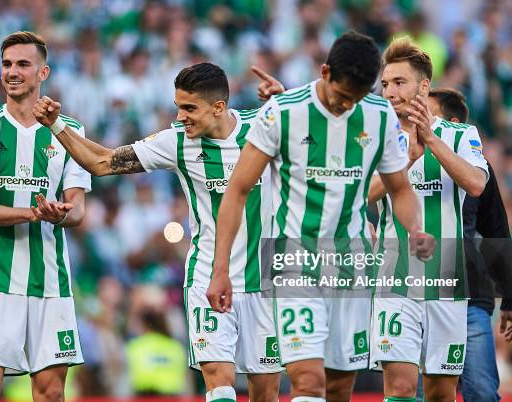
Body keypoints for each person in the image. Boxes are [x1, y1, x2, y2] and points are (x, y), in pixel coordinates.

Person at [33, 62, 282, 402]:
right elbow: (102, 162)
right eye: (178, 107)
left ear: (219, 107)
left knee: (265, 392)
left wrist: (285, 101)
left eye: (189, 108)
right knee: (219, 382)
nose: (180, 117)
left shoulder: (264, 128)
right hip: (207, 278)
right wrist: (56, 125)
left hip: (264, 279)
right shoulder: (176, 142)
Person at [210, 31, 434, 402]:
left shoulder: (378, 117)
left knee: (338, 387)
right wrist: (220, 269)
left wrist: (417, 228)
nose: (348, 106)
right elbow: (237, 190)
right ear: (325, 72)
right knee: (308, 382)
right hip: (295, 259)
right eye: (342, 96)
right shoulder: (282, 112)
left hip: (352, 262)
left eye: (358, 98)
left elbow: (399, 189)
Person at [0, 31, 91, 402]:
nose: (12, 72)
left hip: (50, 280)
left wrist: (60, 215)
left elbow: (78, 210)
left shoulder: (71, 131)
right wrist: (34, 213)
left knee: (50, 393)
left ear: (42, 72)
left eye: (22, 64)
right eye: (6, 64)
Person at [368, 39, 489, 402]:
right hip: (394, 278)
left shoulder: (461, 134)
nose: (389, 91)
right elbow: (361, 195)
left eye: (399, 82)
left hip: (446, 280)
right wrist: (406, 159)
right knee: (401, 387)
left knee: (440, 392)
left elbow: (477, 183)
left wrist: (430, 142)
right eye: (385, 83)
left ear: (423, 86)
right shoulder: (375, 137)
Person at [427, 87, 512, 402]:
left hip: (470, 296)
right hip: (416, 292)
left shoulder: (479, 172)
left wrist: (510, 298)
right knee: (421, 391)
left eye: (430, 114)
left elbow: (496, 233)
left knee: (481, 392)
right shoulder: (404, 159)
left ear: (452, 125)